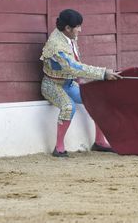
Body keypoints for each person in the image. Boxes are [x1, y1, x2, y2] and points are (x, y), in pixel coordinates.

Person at [40, 9, 121, 157]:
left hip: (69, 83)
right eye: (77, 27)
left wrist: (79, 79)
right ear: (68, 28)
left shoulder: (67, 36)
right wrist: (102, 73)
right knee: (68, 106)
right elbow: (74, 67)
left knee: (98, 101)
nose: (80, 30)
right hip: (52, 84)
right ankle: (59, 148)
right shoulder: (56, 46)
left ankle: (99, 142)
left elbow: (75, 62)